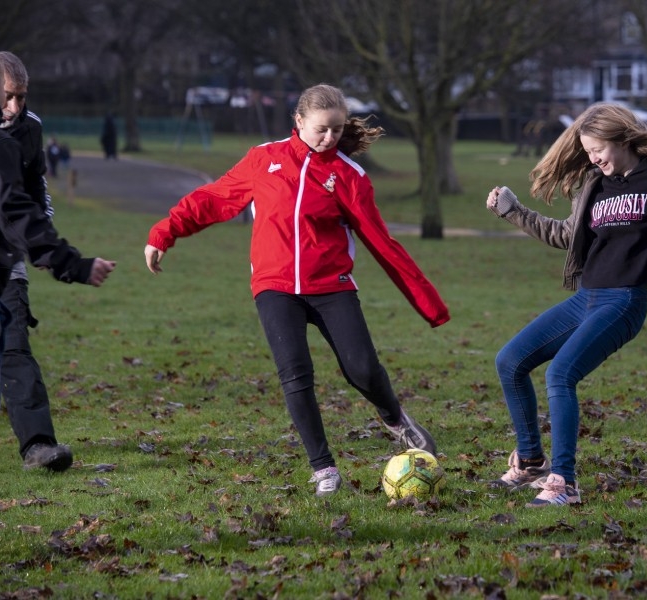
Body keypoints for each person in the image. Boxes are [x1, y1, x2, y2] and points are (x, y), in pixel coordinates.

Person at [144, 83, 450, 496]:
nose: (329, 138)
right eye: (322, 129)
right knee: (295, 375)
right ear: (299, 121)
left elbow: (383, 244)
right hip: (274, 287)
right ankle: (323, 468)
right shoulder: (263, 159)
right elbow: (213, 199)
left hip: (331, 286)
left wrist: (428, 304)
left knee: (361, 367)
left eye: (338, 131)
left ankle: (395, 418)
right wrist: (164, 233)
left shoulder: (350, 177)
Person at [485, 102, 647, 508]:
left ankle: (563, 482)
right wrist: (513, 211)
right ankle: (531, 460)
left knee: (560, 375)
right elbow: (565, 235)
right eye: (586, 151)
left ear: (622, 139)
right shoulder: (595, 184)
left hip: (623, 301)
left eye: (596, 149)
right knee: (510, 361)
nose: (592, 158)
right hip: (585, 297)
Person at [0, 51, 117, 471]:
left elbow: (32, 197)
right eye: (8, 97)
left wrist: (44, 245)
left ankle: (38, 446)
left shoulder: (29, 129)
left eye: (22, 97)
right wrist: (67, 261)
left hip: (6, 260)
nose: (16, 107)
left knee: (15, 349)